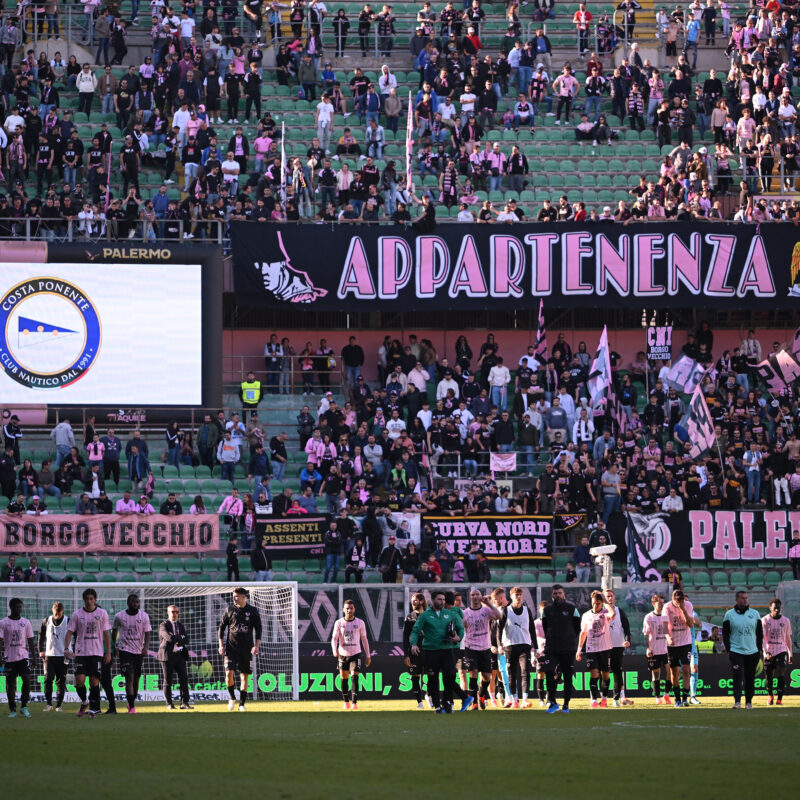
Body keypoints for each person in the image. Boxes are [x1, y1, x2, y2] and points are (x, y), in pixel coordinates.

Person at [409, 589, 465, 713]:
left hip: (447, 650)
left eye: (444, 599)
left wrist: (458, 637)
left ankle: (447, 702)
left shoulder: (450, 614)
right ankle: (437, 706)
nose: (442, 602)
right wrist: (413, 644)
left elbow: (460, 628)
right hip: (431, 651)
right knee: (433, 679)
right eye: (439, 599)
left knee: (450, 675)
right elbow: (415, 631)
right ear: (432, 600)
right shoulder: (425, 615)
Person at [64, 587, 112, 718]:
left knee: (94, 681)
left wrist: (108, 652)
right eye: (87, 599)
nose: (89, 601)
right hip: (81, 652)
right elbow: (69, 632)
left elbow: (106, 633)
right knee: (79, 681)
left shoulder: (102, 613)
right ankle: (85, 701)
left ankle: (94, 709)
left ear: (95, 600)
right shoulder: (77, 614)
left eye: (92, 599)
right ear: (84, 600)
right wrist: (66, 648)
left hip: (97, 652)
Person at [218, 587, 263, 711]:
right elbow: (221, 628)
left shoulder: (252, 611)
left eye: (236, 596)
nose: (234, 598)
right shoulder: (229, 609)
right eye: (233, 596)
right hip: (231, 648)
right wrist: (221, 645)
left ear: (243, 597)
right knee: (229, 674)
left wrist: (257, 646)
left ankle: (242, 704)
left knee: (244, 677)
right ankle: (232, 697)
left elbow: (259, 629)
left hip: (247, 649)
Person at [541, 584, 581, 713]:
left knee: (568, 676)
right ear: (552, 595)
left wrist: (569, 640)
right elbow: (545, 627)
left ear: (564, 594)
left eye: (559, 593)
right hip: (551, 647)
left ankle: (566, 704)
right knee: (549, 671)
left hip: (567, 648)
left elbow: (577, 628)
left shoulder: (572, 609)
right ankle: (552, 702)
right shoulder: (547, 610)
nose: (557, 595)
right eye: (555, 593)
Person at [498, 585, 538, 709]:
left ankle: (525, 699)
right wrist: (499, 645)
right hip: (510, 646)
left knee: (525, 671)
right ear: (511, 597)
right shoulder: (506, 610)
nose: (518, 597)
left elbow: (532, 628)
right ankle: (514, 699)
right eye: (516, 595)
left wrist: (535, 647)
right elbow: (499, 629)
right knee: (512, 674)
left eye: (520, 594)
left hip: (524, 645)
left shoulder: (527, 610)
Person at [722, 590, 763, 710]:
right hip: (736, 651)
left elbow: (759, 633)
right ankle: (737, 702)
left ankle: (749, 702)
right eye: (742, 598)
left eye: (746, 598)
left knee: (750, 677)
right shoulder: (729, 614)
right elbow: (725, 633)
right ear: (737, 600)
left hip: (752, 651)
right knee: (737, 676)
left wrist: (759, 649)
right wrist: (729, 649)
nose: (745, 600)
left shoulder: (755, 614)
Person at [112, 593, 152, 713]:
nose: (135, 604)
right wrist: (114, 646)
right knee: (129, 677)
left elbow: (148, 633)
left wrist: (146, 647)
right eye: (133, 602)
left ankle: (131, 703)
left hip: (138, 651)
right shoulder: (119, 616)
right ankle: (132, 706)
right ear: (128, 603)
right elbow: (114, 630)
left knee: (136, 680)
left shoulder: (144, 616)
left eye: (137, 602)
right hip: (125, 650)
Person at [463, 588, 502, 710]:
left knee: (487, 676)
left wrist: (489, 603)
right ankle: (474, 702)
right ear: (470, 598)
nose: (475, 596)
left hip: (485, 648)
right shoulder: (465, 613)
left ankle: (481, 695)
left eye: (477, 594)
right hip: (471, 647)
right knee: (473, 673)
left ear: (481, 597)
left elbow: (499, 616)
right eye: (473, 595)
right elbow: (461, 627)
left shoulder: (486, 610)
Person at [576, 589, 616, 708]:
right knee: (594, 673)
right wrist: (579, 649)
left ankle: (604, 698)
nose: (595, 605)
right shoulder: (586, 615)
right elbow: (583, 633)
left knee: (605, 675)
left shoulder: (605, 612)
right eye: (594, 602)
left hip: (605, 648)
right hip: (591, 649)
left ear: (601, 602)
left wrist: (605, 601)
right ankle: (593, 699)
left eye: (598, 602)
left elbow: (613, 614)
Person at [331, 599, 371, 710]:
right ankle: (346, 702)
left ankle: (354, 703)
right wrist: (334, 650)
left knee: (354, 678)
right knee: (344, 679)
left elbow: (364, 639)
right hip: (342, 655)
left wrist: (368, 655)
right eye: (347, 608)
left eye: (351, 608)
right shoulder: (339, 623)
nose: (349, 610)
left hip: (356, 654)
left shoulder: (360, 623)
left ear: (354, 609)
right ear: (343, 609)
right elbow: (334, 638)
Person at [0, 597, 35, 717]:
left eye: (20, 607)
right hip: (9, 658)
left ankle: (24, 706)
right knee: (11, 685)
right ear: (11, 608)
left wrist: (34, 658)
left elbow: (30, 641)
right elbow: (0, 641)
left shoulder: (26, 622)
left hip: (23, 657)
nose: (19, 609)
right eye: (16, 607)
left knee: (26, 679)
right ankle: (12, 709)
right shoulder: (3, 623)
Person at [664, 588, 695, 707]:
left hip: (686, 642)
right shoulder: (667, 607)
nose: (679, 603)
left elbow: (691, 624)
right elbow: (664, 625)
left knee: (686, 669)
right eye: (677, 601)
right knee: (675, 672)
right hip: (672, 644)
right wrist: (668, 637)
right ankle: (677, 699)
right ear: (673, 599)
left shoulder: (688, 605)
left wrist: (683, 610)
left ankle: (685, 699)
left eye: (680, 601)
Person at [158, 605, 193, 710]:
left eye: (177, 612)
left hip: (180, 655)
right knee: (168, 680)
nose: (175, 614)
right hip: (167, 656)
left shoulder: (180, 625)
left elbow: (187, 639)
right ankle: (169, 703)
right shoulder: (163, 625)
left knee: (184, 678)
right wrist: (179, 638)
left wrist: (178, 638)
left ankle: (184, 703)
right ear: (168, 612)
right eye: (173, 612)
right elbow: (169, 638)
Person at [603, 588, 633, 707]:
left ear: (614, 598)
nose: (609, 598)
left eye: (611, 596)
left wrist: (627, 640)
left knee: (617, 672)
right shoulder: (599, 612)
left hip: (617, 646)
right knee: (604, 673)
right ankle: (603, 698)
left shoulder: (619, 611)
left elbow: (627, 628)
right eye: (607, 596)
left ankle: (616, 698)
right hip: (603, 647)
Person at [38, 601, 69, 712]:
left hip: (63, 656)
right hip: (49, 655)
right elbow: (41, 636)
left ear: (62, 611)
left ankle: (59, 705)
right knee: (48, 679)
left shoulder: (67, 621)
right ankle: (48, 704)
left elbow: (75, 635)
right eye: (55, 613)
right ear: (52, 610)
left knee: (61, 681)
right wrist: (41, 650)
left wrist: (72, 650)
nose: (57, 615)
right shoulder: (46, 621)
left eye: (59, 613)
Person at [643, 593, 672, 705]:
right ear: (653, 603)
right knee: (656, 674)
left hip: (666, 650)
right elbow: (646, 635)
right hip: (654, 650)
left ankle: (666, 694)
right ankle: (657, 697)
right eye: (659, 603)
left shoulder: (666, 616)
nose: (661, 605)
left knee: (671, 673)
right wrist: (648, 648)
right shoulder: (649, 617)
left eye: (662, 603)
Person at [762, 598, 792, 706]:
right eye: (775, 608)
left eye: (779, 608)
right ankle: (770, 695)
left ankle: (779, 699)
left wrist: (790, 653)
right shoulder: (764, 620)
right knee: (768, 677)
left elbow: (788, 638)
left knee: (781, 673)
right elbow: (762, 639)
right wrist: (766, 653)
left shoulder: (786, 621)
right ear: (770, 608)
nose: (777, 610)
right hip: (769, 652)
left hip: (782, 650)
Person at [403, 592, 428, 709]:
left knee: (432, 676)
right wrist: (406, 655)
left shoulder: (429, 615)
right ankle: (419, 702)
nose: (413, 602)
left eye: (415, 600)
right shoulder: (409, 617)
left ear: (422, 601)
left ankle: (430, 695)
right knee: (415, 677)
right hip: (414, 652)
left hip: (428, 650)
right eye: (412, 600)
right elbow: (405, 637)